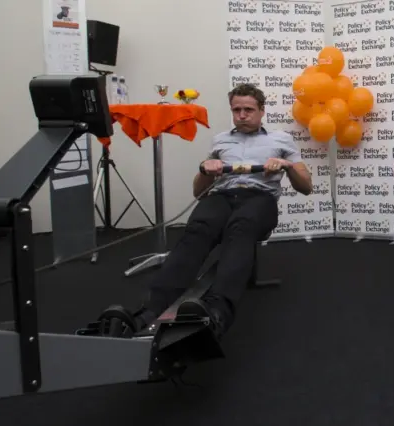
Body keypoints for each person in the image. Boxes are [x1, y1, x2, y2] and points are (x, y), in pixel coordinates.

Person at [128, 83, 313, 342]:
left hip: (259, 198)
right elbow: (198, 192)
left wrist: (287, 166)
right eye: (236, 110)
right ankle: (150, 309)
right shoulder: (221, 140)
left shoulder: (280, 140)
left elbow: (306, 186)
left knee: (241, 228)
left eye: (248, 109)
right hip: (222, 196)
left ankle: (217, 312)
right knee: (197, 231)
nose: (242, 115)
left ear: (261, 111)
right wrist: (204, 169)